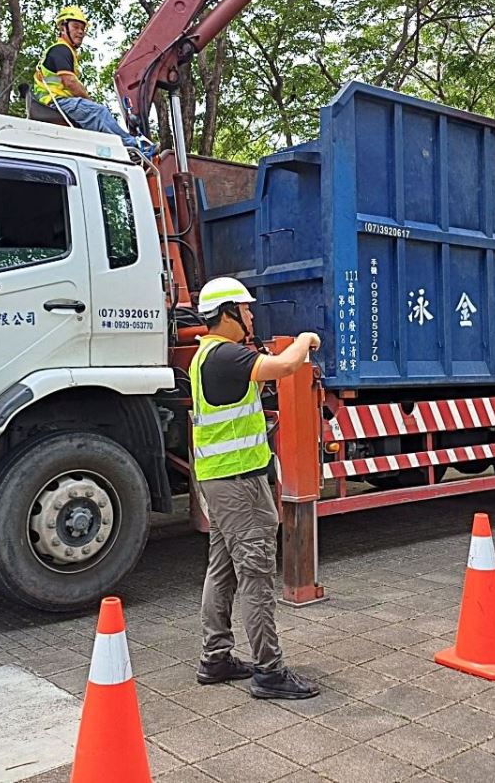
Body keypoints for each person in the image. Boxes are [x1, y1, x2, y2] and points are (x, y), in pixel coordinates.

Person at [189, 276, 322, 700]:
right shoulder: (226, 355)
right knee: (256, 572)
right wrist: (304, 340)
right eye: (245, 309)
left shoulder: (206, 356)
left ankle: (216, 657)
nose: (250, 315)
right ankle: (269, 671)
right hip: (238, 483)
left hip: (221, 480)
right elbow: (284, 368)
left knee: (223, 567)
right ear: (228, 313)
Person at [35, 6, 156, 159]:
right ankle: (134, 146)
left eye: (82, 29)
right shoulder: (61, 50)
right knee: (98, 112)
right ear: (63, 28)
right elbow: (70, 82)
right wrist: (89, 100)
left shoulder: (64, 51)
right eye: (76, 27)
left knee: (93, 118)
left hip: (56, 101)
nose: (80, 32)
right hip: (57, 102)